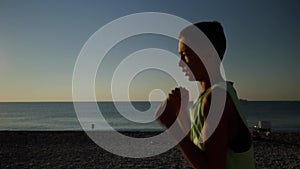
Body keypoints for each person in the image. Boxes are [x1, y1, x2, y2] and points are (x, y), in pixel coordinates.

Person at [155, 21, 255, 169]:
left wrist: (172, 125)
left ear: (208, 54)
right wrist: (181, 113)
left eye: (185, 54)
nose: (180, 63)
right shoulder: (217, 93)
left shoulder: (216, 98)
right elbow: (199, 144)